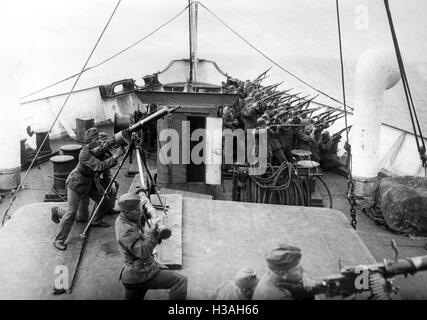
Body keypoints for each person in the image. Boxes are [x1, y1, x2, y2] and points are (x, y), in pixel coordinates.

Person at [51, 127, 125, 251]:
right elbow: (99, 166)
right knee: (73, 214)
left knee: (104, 199)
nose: (99, 141)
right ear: (89, 142)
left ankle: (96, 221)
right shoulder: (84, 153)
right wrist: (116, 156)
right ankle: (58, 237)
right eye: (96, 139)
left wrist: (109, 151)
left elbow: (108, 164)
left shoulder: (99, 149)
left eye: (99, 139)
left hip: (90, 182)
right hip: (76, 183)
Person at [115, 191, 187, 300]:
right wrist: (152, 233)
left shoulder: (126, 218)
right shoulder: (125, 230)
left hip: (133, 274)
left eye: (139, 208)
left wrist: (141, 196)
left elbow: (141, 214)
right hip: (141, 274)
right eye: (136, 210)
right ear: (126, 212)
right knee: (180, 281)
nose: (140, 212)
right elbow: (143, 252)